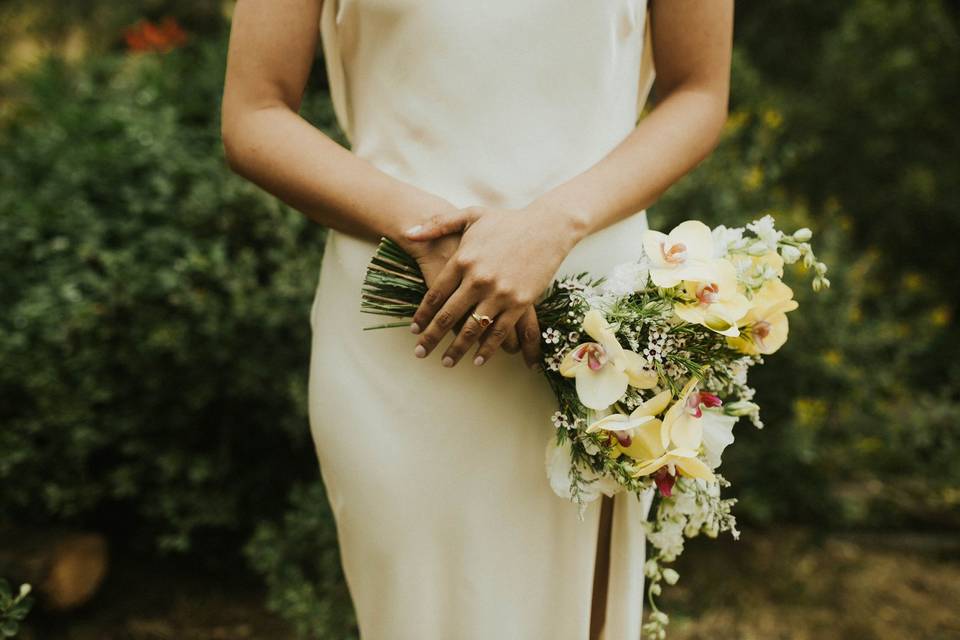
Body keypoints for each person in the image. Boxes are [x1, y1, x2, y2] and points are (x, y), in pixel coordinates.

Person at [220, 0, 733, 637]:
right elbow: (254, 116)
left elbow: (700, 92)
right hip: (403, 328)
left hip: (589, 333)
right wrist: (426, 232)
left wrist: (553, 225)